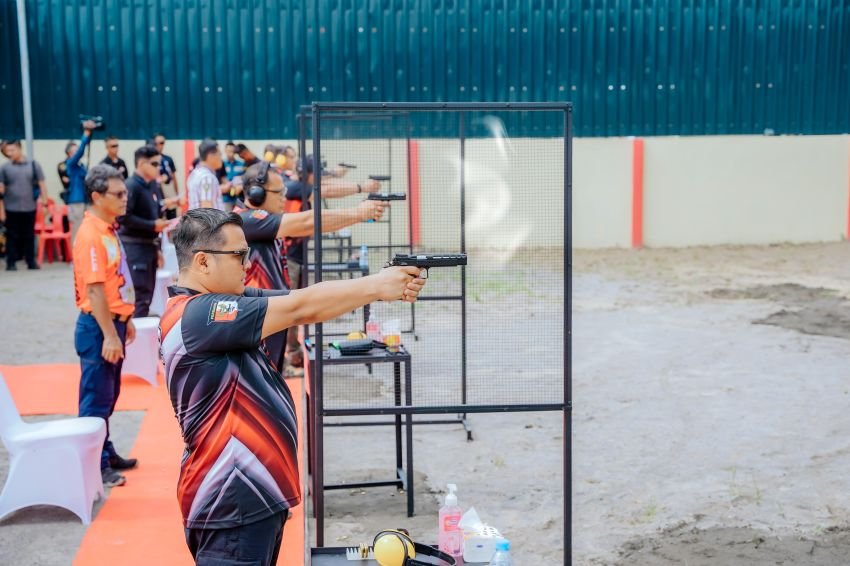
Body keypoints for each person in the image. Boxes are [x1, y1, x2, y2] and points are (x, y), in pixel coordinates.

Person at [159, 208, 424, 566]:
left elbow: (305, 300)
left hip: (249, 501)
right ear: (203, 262)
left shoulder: (215, 307)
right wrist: (376, 285)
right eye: (239, 255)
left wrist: (378, 289)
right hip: (231, 502)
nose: (246, 263)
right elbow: (300, 308)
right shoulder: (198, 315)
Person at [236, 161, 387, 372]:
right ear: (256, 194)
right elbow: (307, 222)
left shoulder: (260, 219)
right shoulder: (249, 219)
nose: (284, 197)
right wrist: (359, 213)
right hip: (258, 315)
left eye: (284, 191)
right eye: (278, 192)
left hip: (269, 311)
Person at [282, 155, 380, 372]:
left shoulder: (298, 184)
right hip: (288, 258)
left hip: (293, 257)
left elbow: (327, 183)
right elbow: (325, 189)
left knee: (292, 307)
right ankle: (284, 357)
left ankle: (292, 353)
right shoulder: (296, 188)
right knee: (287, 308)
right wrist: (361, 188)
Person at [73, 164, 139, 488]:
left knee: (108, 394)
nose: (125, 198)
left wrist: (124, 319)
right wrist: (110, 333)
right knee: (96, 398)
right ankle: (94, 464)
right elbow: (95, 290)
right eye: (119, 194)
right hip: (98, 328)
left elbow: (114, 281)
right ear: (97, 196)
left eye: (125, 192)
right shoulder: (91, 234)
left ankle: (105, 451)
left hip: (111, 323)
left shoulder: (106, 229)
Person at [119, 145, 177, 317]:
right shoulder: (131, 186)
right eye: (154, 164)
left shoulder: (152, 185)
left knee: (147, 296)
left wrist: (158, 248)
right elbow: (123, 218)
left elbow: (156, 214)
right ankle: (135, 341)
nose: (158, 168)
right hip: (135, 248)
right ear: (142, 164)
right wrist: (151, 225)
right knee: (139, 297)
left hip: (150, 246)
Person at [0, 140, 47, 271]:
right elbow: (1, 191)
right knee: (12, 235)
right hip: (11, 208)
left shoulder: (33, 165)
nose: (9, 154)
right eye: (7, 151)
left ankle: (31, 261)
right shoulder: (4, 168)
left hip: (29, 207)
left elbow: (42, 184)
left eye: (12, 150)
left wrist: (44, 203)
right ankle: (11, 262)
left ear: (20, 148)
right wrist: (1, 210)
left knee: (29, 235)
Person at [65, 120, 98, 241]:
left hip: (84, 200)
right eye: (74, 150)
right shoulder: (71, 164)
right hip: (76, 201)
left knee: (86, 229)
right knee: (77, 230)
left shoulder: (81, 166)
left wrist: (89, 136)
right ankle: (75, 257)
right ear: (69, 153)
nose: (77, 151)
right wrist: (86, 134)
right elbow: (81, 151)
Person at [186, 138, 224, 211]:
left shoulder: (195, 173)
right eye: (220, 154)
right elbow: (207, 208)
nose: (221, 158)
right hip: (208, 221)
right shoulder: (207, 177)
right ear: (211, 156)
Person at [152, 133, 180, 219]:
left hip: (168, 192)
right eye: (157, 143)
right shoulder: (151, 160)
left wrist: (176, 194)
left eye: (162, 143)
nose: (160, 145)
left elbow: (173, 177)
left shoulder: (168, 159)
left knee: (172, 217)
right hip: (156, 193)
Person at [221, 141, 245, 212]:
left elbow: (245, 178)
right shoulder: (222, 165)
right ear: (225, 151)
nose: (230, 153)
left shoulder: (241, 164)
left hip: (238, 198)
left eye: (232, 151)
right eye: (228, 151)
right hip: (225, 198)